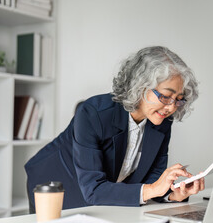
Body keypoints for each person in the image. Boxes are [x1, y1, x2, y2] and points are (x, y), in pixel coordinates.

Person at [25, 46, 203, 212]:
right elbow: (93, 190)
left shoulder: (161, 120)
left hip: (97, 193)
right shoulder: (93, 113)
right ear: (140, 87)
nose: (172, 107)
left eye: (179, 99)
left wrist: (174, 194)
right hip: (53, 183)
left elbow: (153, 181)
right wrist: (153, 189)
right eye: (166, 96)